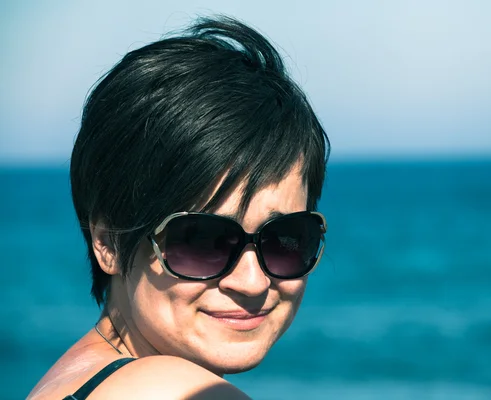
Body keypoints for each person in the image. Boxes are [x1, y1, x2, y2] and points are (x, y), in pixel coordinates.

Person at [28, 15, 329, 399]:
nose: (253, 282)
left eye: (285, 239)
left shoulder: (71, 382)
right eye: (203, 241)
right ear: (108, 243)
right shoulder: (175, 391)